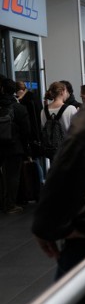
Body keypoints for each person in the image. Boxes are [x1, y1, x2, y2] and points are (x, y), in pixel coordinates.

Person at [0, 76, 30, 215]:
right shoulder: (19, 108)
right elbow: (26, 132)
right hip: (14, 147)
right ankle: (10, 205)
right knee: (12, 177)